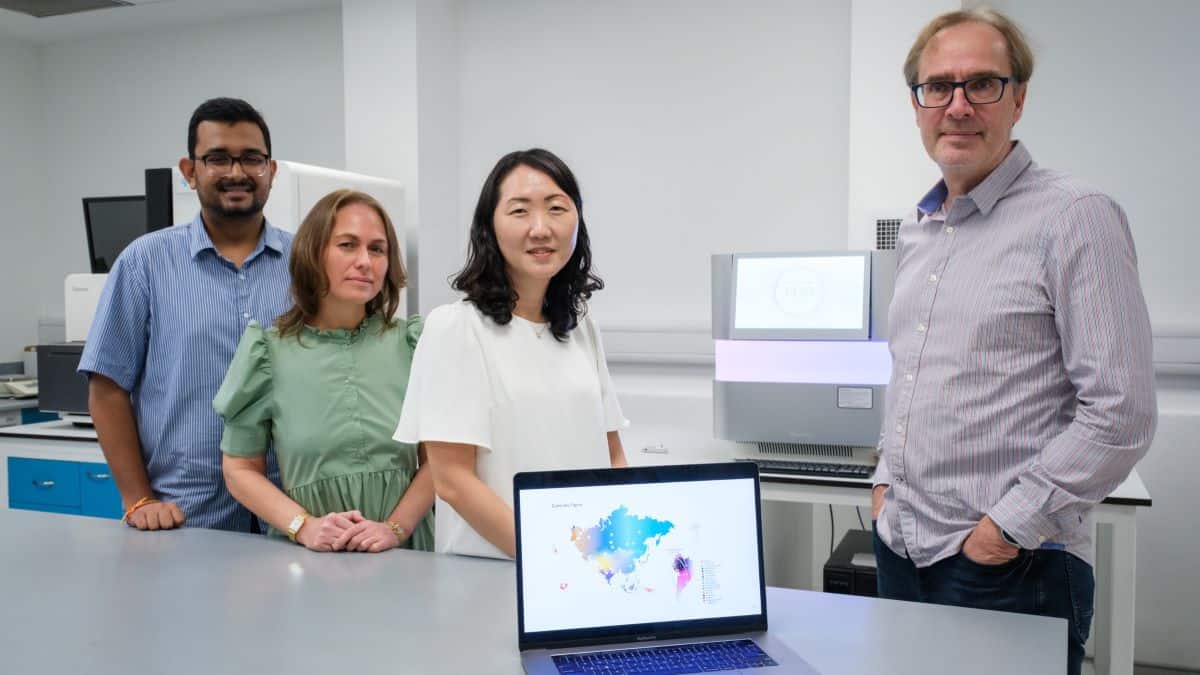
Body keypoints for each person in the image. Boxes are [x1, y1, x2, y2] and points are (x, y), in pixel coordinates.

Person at [870, 9, 1156, 675]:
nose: (958, 105)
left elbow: (1121, 412)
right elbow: (912, 378)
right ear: (917, 105)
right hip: (903, 551)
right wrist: (886, 483)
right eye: (937, 86)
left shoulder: (1075, 217)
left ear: (1019, 97)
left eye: (983, 84)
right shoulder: (920, 231)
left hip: (1010, 568)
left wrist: (1003, 531)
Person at [394, 148, 628, 559]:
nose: (541, 228)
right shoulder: (455, 327)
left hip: (589, 572)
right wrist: (551, 560)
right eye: (520, 211)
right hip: (494, 575)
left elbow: (611, 453)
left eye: (557, 208)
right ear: (490, 227)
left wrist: (626, 546)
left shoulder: (581, 329)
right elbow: (451, 480)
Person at [80, 97, 293, 532]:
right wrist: (138, 498)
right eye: (217, 158)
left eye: (251, 158)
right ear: (189, 171)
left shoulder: (306, 262)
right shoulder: (145, 262)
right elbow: (107, 388)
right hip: (186, 515)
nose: (236, 173)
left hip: (292, 508)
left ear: (270, 170)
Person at [213, 189, 434, 552]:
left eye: (377, 249)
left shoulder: (414, 344)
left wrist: (394, 529)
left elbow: (440, 461)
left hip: (406, 553)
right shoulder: (267, 353)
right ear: (313, 254)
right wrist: (304, 526)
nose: (365, 261)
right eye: (348, 245)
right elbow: (239, 470)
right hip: (311, 556)